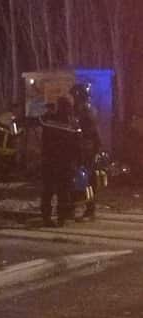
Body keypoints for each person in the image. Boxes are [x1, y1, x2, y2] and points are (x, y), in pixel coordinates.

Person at [39, 96, 81, 226]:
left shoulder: (49, 120)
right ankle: (61, 217)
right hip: (63, 162)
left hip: (51, 161)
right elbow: (77, 143)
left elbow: (45, 139)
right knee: (62, 191)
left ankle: (48, 217)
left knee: (49, 190)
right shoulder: (72, 123)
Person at [70, 83, 101, 220]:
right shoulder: (87, 109)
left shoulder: (84, 111)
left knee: (86, 180)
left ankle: (89, 209)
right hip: (85, 148)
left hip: (84, 149)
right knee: (83, 179)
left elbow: (88, 131)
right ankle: (80, 207)